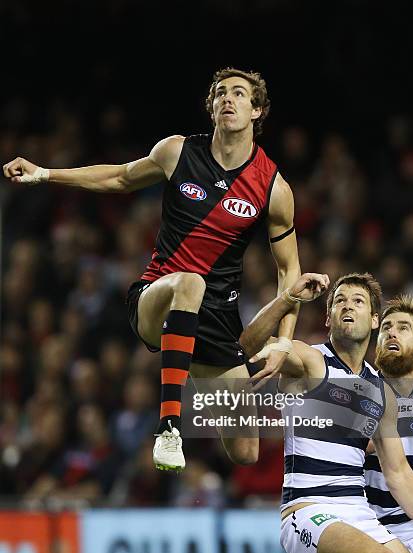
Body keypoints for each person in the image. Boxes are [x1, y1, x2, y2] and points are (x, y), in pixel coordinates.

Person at [3, 67, 301, 472]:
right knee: (190, 283)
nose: (228, 99)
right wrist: (46, 173)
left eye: (239, 94)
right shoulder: (177, 152)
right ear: (211, 108)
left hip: (216, 319)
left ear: (257, 111)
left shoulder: (273, 188)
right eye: (220, 94)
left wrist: (284, 341)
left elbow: (290, 274)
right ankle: (168, 428)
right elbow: (120, 178)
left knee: (246, 452)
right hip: (156, 297)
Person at [240, 272, 413, 553]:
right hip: (308, 511)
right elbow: (248, 346)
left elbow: (399, 475)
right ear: (328, 318)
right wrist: (288, 299)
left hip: (359, 514)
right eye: (339, 300)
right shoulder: (310, 361)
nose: (348, 306)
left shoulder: (379, 389)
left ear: (374, 320)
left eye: (358, 302)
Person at [365, 295, 413, 553]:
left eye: (403, 327)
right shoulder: (361, 389)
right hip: (379, 531)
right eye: (386, 328)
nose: (391, 332)